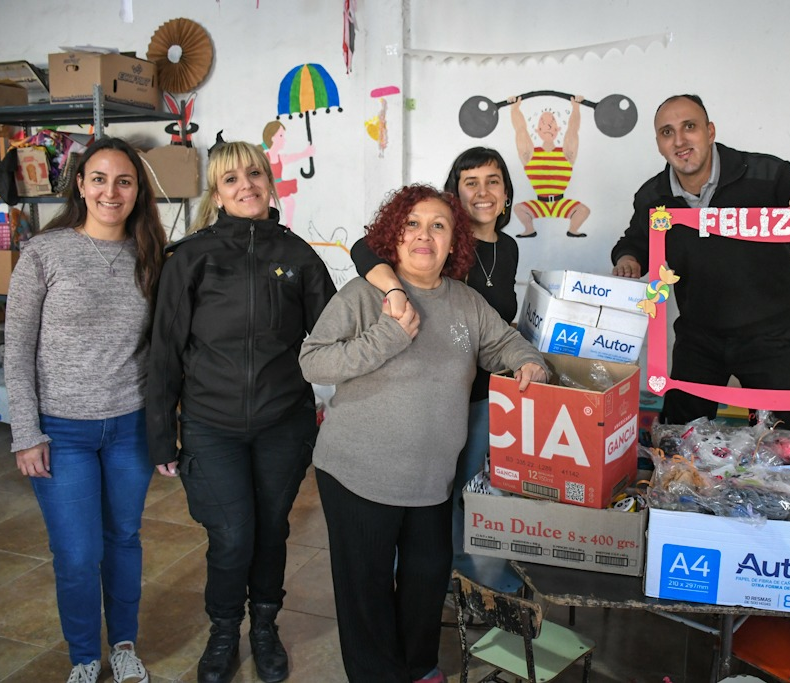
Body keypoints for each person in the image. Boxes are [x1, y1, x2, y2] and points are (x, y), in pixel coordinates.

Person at [299, 184, 547, 683]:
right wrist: (387, 337)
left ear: (454, 242)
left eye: (438, 225)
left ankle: (419, 666)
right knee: (365, 591)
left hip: (431, 480)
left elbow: (506, 343)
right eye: (412, 224)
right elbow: (313, 362)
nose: (424, 236)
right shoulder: (363, 295)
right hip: (356, 474)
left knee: (426, 579)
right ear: (395, 236)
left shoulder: (467, 302)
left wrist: (529, 363)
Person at [146, 140, 336, 683]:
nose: (245, 185)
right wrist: (162, 437)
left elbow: (330, 340)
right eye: (230, 179)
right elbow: (164, 351)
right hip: (211, 426)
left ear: (269, 181)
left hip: (284, 423)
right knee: (232, 535)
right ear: (217, 192)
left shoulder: (299, 256)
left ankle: (265, 627)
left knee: (272, 529)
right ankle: (224, 628)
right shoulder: (190, 257)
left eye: (253, 174)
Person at [5, 137, 167, 683]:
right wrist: (26, 432)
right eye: (98, 178)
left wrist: (166, 428)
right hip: (60, 431)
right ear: (79, 184)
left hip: (130, 428)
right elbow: (16, 349)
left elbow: (165, 351)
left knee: (123, 539)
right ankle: (83, 656)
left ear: (138, 188)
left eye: (123, 180)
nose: (110, 191)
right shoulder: (44, 253)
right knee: (77, 554)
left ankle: (122, 644)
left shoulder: (151, 255)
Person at [610, 94, 790, 430]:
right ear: (659, 144)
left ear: (710, 131)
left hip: (771, 335)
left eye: (690, 127)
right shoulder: (652, 196)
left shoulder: (766, 174)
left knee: (783, 440)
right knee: (678, 437)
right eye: (667, 132)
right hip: (698, 336)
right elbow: (637, 241)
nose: (680, 140)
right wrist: (628, 257)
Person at [349, 146, 517, 562]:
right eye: (470, 182)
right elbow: (362, 249)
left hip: (485, 396)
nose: (482, 191)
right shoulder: (439, 241)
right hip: (435, 396)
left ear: (507, 193)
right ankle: (440, 584)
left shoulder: (508, 248)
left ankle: (459, 583)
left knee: (472, 496)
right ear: (454, 195)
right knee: (438, 500)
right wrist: (392, 287)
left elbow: (486, 321)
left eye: (492, 181)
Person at [509, 95, 590, 237]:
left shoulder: (566, 154)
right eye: (543, 123)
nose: (547, 126)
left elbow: (572, 131)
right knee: (518, 208)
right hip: (540, 203)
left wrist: (576, 107)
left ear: (558, 129)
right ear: (537, 130)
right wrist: (514, 109)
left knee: (583, 210)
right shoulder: (529, 155)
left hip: (561, 202)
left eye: (552, 122)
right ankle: (529, 229)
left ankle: (572, 230)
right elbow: (520, 130)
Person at [261, 120, 314, 229]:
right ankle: (271, 226)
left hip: (280, 185)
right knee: (271, 204)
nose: (284, 139)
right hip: (270, 187)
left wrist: (306, 153)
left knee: (290, 202)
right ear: (273, 138)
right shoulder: (265, 158)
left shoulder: (280, 158)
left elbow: (293, 157)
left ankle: (289, 225)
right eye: (281, 136)